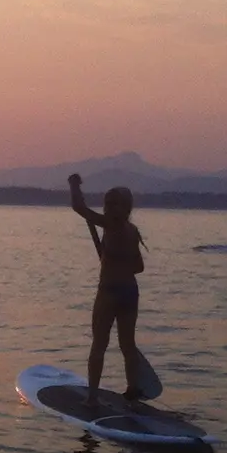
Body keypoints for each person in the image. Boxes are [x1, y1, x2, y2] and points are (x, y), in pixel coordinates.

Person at [69, 174, 146, 407]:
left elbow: (78, 207)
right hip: (130, 291)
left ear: (126, 207)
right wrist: (117, 259)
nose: (109, 208)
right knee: (127, 345)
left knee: (100, 344)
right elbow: (139, 267)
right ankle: (133, 393)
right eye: (107, 204)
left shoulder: (110, 225)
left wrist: (73, 185)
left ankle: (92, 397)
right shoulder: (133, 231)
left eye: (114, 204)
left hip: (111, 292)